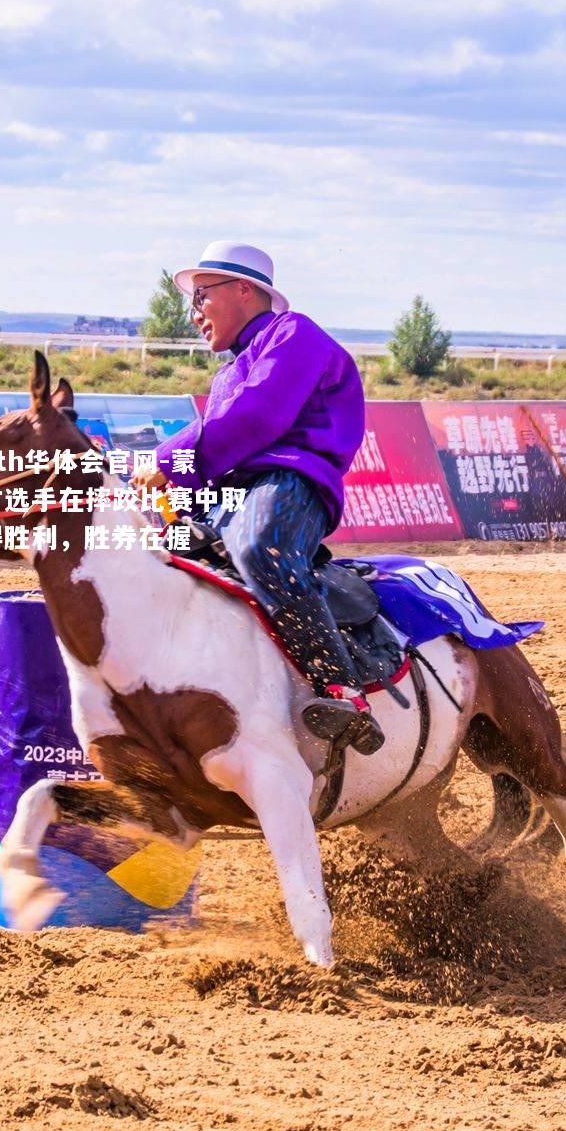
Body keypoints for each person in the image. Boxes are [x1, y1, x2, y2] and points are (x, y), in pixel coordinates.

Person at [134, 241, 379, 754]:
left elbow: (256, 418)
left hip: (290, 484)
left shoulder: (296, 335)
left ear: (244, 288)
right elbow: (221, 439)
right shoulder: (229, 372)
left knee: (257, 547)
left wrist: (166, 459)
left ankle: (343, 691)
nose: (193, 312)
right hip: (229, 494)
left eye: (201, 295)